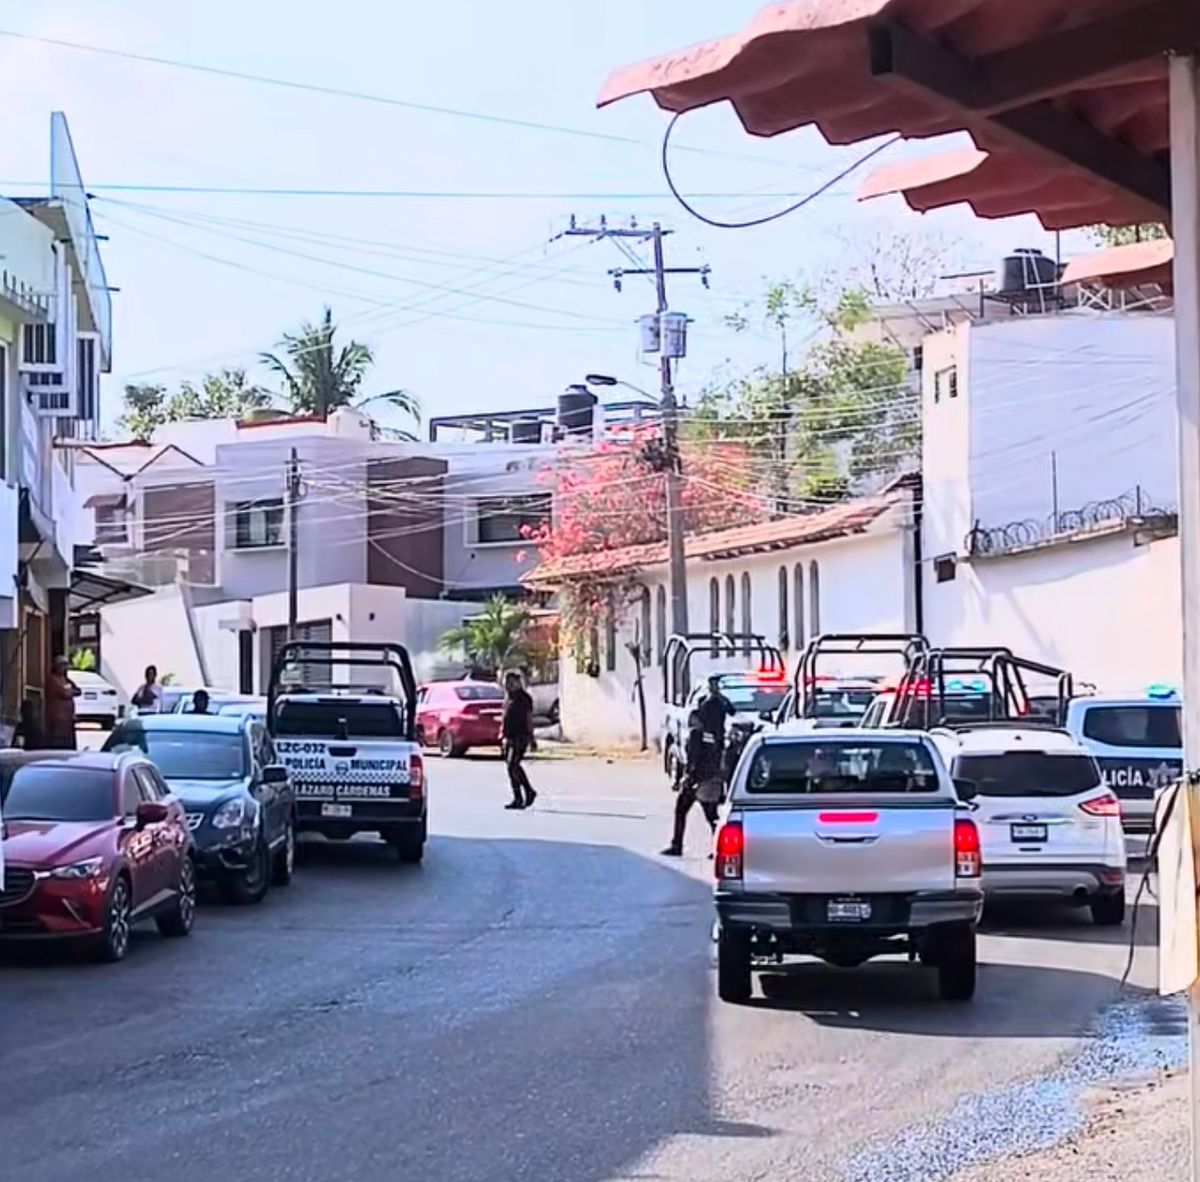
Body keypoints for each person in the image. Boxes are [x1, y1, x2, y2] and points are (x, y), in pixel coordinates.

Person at [662, 710, 723, 857]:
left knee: (681, 810)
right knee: (712, 816)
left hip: (696, 781)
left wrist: (687, 778)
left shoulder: (695, 734)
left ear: (697, 720)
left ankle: (677, 845)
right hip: (711, 780)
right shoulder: (711, 735)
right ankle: (719, 848)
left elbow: (693, 759)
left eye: (692, 719)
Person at [501, 670, 537, 810]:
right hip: (509, 736)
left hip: (521, 736)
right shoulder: (508, 698)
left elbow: (529, 718)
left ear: (517, 682)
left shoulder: (524, 698)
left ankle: (529, 791)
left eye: (511, 682)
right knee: (510, 768)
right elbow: (505, 717)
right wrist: (502, 735)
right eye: (506, 682)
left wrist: (531, 737)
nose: (508, 685)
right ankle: (518, 798)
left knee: (513, 764)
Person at [44, 656, 80, 750]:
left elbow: (78, 690)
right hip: (58, 717)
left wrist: (71, 690)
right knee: (58, 742)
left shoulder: (65, 679)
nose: (64, 668)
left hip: (68, 717)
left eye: (65, 665)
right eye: (62, 665)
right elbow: (65, 693)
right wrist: (70, 692)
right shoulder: (53, 680)